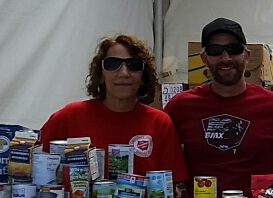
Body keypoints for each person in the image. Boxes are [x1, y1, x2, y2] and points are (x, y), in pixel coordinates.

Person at [165, 17, 273, 195]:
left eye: (234, 49)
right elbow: (161, 157)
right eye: (215, 50)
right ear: (204, 58)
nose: (226, 58)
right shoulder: (181, 106)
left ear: (246, 55)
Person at [39, 33, 190, 184]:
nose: (124, 73)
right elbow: (34, 166)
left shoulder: (160, 122)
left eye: (133, 65)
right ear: (100, 75)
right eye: (112, 64)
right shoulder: (69, 116)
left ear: (143, 76)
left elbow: (171, 188)